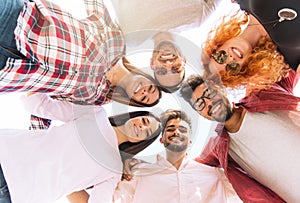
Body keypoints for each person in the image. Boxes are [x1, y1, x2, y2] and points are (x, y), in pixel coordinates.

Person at [0, 94, 162, 203]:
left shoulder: (113, 169)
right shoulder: (96, 114)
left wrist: (66, 185)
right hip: (7, 151)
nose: (141, 126)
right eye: (144, 121)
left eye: (146, 132)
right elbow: (40, 105)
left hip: (16, 193)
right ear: (133, 116)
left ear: (140, 142)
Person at [0, 0, 161, 107]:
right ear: (147, 75)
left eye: (144, 99)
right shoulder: (118, 43)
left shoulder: (97, 100)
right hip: (19, 20)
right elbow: (95, 5)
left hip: (9, 72)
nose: (144, 92)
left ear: (134, 100)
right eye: (151, 88)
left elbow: (49, 106)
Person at [180, 71, 300, 202]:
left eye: (209, 94)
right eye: (200, 104)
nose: (209, 103)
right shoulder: (219, 149)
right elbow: (186, 170)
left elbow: (291, 62)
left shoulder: (264, 92)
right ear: (200, 113)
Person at [112, 109, 241, 203]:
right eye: (170, 129)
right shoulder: (139, 173)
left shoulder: (216, 175)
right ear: (162, 140)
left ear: (190, 141)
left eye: (183, 130)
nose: (176, 132)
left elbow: (248, 194)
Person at [201, 0, 299, 89]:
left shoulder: (244, 2)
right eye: (232, 68)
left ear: (218, 46)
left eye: (220, 57)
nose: (230, 59)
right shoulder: (293, 58)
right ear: (244, 70)